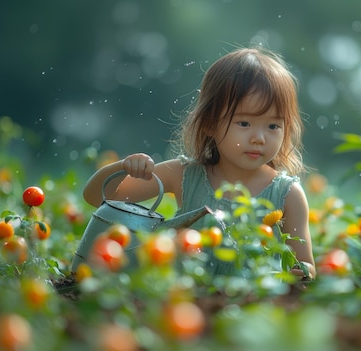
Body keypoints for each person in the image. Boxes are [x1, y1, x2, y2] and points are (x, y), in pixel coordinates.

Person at [82, 47, 316, 279]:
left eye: (273, 126)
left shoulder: (287, 194)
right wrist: (124, 167)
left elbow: (305, 263)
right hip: (186, 302)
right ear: (210, 123)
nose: (259, 138)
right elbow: (97, 198)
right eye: (244, 123)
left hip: (255, 306)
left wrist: (302, 274)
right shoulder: (185, 174)